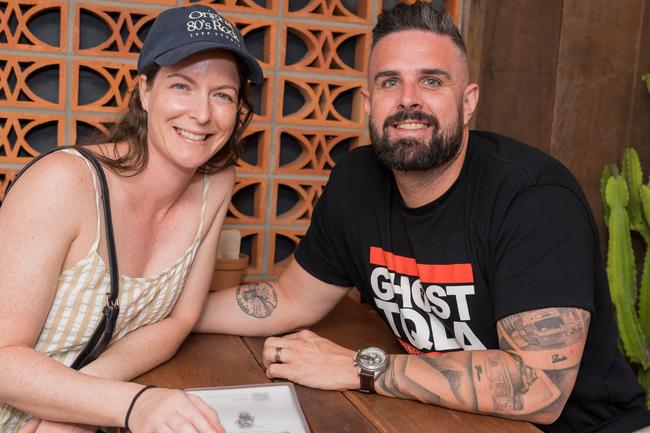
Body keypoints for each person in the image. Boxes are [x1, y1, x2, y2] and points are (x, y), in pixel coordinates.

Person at [195, 2, 650, 432]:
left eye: (432, 81)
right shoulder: (357, 181)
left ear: (468, 101)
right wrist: (172, 315)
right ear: (369, 102)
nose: (408, 100)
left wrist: (359, 367)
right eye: (390, 82)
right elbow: (289, 299)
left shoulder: (533, 198)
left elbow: (540, 389)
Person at [0, 5, 263, 433]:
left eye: (223, 95)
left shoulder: (216, 183)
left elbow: (179, 320)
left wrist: (81, 403)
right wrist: (130, 405)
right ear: (145, 90)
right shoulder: (65, 181)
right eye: (182, 85)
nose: (202, 114)